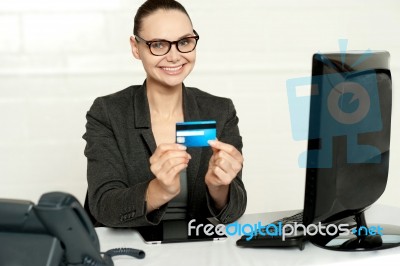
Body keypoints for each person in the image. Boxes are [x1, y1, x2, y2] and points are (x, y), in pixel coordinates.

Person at [83, 0, 247, 227]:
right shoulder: (108, 113)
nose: (174, 56)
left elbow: (236, 208)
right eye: (158, 45)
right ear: (135, 47)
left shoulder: (220, 110)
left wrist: (219, 187)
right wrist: (159, 189)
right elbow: (103, 207)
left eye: (184, 42)